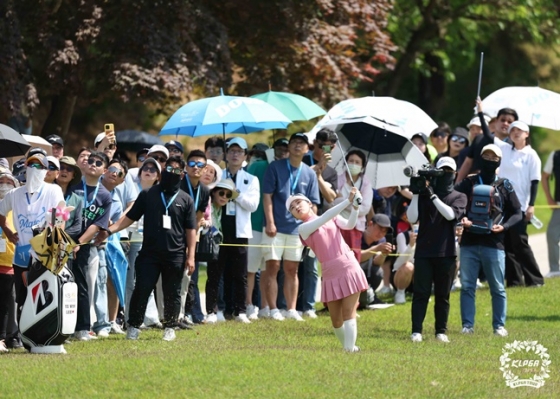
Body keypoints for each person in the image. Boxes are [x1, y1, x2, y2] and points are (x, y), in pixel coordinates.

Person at [96, 156, 196, 341]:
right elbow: (129, 218)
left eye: (176, 171)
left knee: (172, 292)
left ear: (182, 175)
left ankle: (170, 327)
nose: (171, 174)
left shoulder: (186, 200)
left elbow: (191, 230)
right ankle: (133, 326)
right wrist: (109, 231)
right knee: (142, 289)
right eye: (168, 169)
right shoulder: (148, 194)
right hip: (149, 253)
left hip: (175, 254)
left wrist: (191, 256)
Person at [454, 144, 522, 337]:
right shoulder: (469, 182)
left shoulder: (504, 185)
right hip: (469, 243)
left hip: (495, 243)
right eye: (486, 156)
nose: (490, 160)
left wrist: (505, 227)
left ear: (499, 162)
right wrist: (462, 218)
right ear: (480, 158)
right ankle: (467, 326)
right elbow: (454, 201)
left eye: (494, 158)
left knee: (498, 287)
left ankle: (499, 326)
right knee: (467, 286)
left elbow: (517, 212)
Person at [288, 188, 367, 351]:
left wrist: (355, 207)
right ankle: (350, 347)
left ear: (309, 203)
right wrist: (347, 201)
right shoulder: (303, 229)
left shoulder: (331, 217)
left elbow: (350, 224)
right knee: (336, 320)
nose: (296, 207)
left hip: (347, 265)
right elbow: (324, 218)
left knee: (348, 312)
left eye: (298, 202)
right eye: (292, 208)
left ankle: (349, 350)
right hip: (329, 272)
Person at [475, 99, 543, 287]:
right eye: (512, 130)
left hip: (520, 205)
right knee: (506, 244)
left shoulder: (531, 155)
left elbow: (535, 181)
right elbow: (488, 136)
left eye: (518, 130)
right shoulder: (505, 149)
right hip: (502, 204)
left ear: (526, 134)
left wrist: (531, 205)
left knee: (520, 243)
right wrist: (481, 113)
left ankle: (535, 279)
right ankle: (514, 281)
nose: (514, 132)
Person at [406, 157, 467, 343]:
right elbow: (412, 217)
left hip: (446, 252)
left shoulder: (459, 196)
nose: (446, 175)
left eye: (449, 172)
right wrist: (417, 192)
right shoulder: (424, 194)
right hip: (424, 251)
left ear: (455, 175)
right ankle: (416, 331)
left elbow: (450, 215)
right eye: (442, 171)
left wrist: (432, 195)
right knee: (420, 294)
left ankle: (441, 331)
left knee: (443, 295)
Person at [261, 132, 320, 321]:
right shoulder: (275, 167)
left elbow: (313, 204)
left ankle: (292, 309)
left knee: (292, 269)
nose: (297, 146)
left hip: (297, 229)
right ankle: (273, 309)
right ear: (289, 147)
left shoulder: (310, 173)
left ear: (307, 148)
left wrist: (310, 227)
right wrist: (270, 222)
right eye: (294, 142)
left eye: (301, 143)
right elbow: (267, 196)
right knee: (272, 266)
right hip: (275, 227)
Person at [0, 153, 65, 314]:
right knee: (22, 299)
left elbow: (61, 216)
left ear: (45, 171)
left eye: (39, 166)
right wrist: (8, 231)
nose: (34, 169)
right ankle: (23, 335)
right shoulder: (14, 194)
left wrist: (54, 240)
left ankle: (42, 334)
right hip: (21, 254)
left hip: (44, 253)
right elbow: (1, 213)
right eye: (31, 165)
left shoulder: (53, 190)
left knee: (45, 296)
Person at [68, 151, 113, 341]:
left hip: (83, 245)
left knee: (81, 284)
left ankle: (82, 328)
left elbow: (96, 226)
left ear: (104, 170)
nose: (93, 164)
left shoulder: (105, 195)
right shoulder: (73, 187)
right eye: (90, 161)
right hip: (64, 239)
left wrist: (78, 244)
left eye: (98, 162)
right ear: (84, 166)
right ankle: (64, 327)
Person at [299, 128, 338, 318]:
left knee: (311, 266)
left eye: (328, 146)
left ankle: (308, 306)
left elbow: (331, 196)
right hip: (296, 217)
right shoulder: (303, 160)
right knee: (290, 265)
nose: (324, 149)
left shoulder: (332, 171)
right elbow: (299, 176)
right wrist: (317, 167)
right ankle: (291, 305)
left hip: (317, 220)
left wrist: (320, 175)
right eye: (321, 145)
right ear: (315, 142)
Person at [179, 149, 211, 324]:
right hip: (174, 236)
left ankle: (187, 312)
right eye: (192, 164)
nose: (195, 167)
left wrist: (191, 237)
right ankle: (174, 313)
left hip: (192, 237)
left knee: (190, 276)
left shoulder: (205, 191)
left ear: (205, 169)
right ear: (186, 166)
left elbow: (198, 217)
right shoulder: (179, 184)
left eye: (200, 165)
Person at [456, 106, 518, 183]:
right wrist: (457, 184)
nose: (505, 123)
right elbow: (468, 163)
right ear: (496, 121)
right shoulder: (480, 139)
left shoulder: (514, 147)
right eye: (502, 120)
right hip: (475, 184)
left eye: (509, 122)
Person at [332, 149, 372, 262]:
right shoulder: (337, 179)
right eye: (351, 161)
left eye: (357, 162)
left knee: (352, 260)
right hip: (337, 224)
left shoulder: (365, 183)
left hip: (355, 227)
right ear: (346, 162)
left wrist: (342, 200)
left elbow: (365, 208)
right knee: (335, 258)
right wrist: (353, 203)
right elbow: (331, 203)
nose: (353, 164)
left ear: (362, 166)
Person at [0, 168, 20, 351]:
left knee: (6, 304)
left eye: (8, 182)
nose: (4, 186)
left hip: (10, 263)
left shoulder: (17, 209)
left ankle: (5, 338)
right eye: (1, 182)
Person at [542, 150, 560, 278]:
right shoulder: (555, 155)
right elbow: (544, 176)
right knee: (552, 235)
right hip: (559, 205)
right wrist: (549, 198)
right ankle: (555, 270)